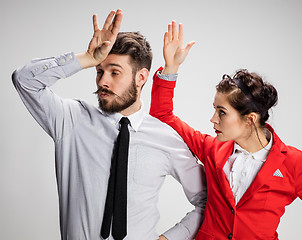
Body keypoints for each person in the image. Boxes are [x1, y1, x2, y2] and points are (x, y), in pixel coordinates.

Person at [150, 21, 302, 239]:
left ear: (250, 119)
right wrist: (171, 68)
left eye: (222, 112)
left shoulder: (293, 163)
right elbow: (163, 116)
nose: (213, 119)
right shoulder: (212, 149)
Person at [12, 10, 206, 240]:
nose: (103, 81)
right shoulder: (71, 120)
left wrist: (170, 238)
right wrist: (86, 58)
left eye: (115, 72)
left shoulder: (165, 138)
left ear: (141, 77)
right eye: (99, 71)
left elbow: (207, 200)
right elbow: (24, 80)